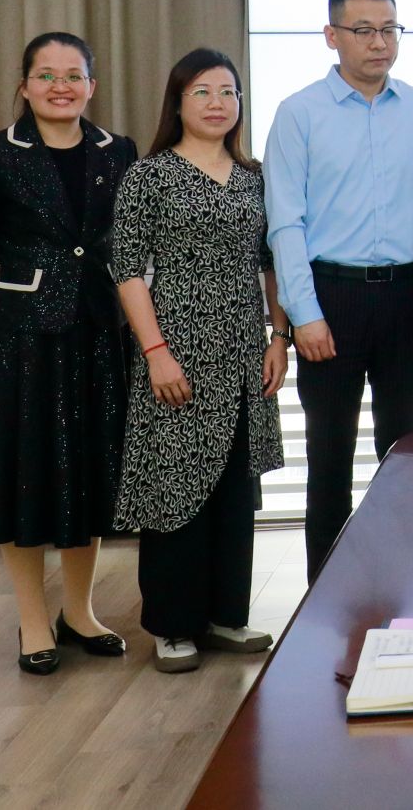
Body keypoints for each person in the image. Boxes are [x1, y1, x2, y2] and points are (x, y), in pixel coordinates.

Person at [0, 31, 137, 674]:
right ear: (25, 86)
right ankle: (33, 619)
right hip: (20, 342)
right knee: (22, 476)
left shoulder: (120, 152)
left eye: (73, 75)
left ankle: (79, 612)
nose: (61, 86)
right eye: (47, 75)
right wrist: (10, 323)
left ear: (91, 85)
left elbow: (126, 242)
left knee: (89, 472)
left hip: (99, 332)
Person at [265, 0, 413, 581]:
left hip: (408, 295)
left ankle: (403, 581)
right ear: (331, 35)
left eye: (390, 29)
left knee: (405, 449)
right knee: (329, 452)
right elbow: (285, 223)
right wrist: (304, 314)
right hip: (331, 297)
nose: (380, 43)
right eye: (364, 30)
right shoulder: (299, 114)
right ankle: (326, 593)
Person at [112, 49, 289, 673]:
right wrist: (155, 353)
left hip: (244, 352)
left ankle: (224, 617)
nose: (218, 103)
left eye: (228, 92)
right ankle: (172, 625)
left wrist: (279, 337)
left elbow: (272, 262)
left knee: (234, 488)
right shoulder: (149, 175)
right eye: (203, 92)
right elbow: (126, 270)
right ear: (178, 102)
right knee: (176, 487)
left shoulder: (255, 177)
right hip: (177, 353)